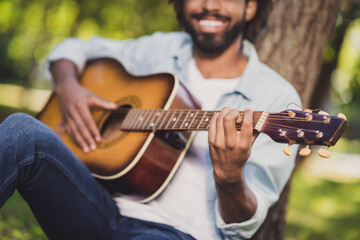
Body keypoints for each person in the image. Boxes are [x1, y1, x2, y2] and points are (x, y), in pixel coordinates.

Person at [0, 0, 301, 239]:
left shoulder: (275, 98)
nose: (211, 4)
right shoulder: (159, 49)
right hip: (94, 205)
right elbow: (76, 48)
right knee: (21, 130)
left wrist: (229, 176)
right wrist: (68, 86)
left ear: (250, 6)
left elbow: (245, 224)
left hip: (174, 232)